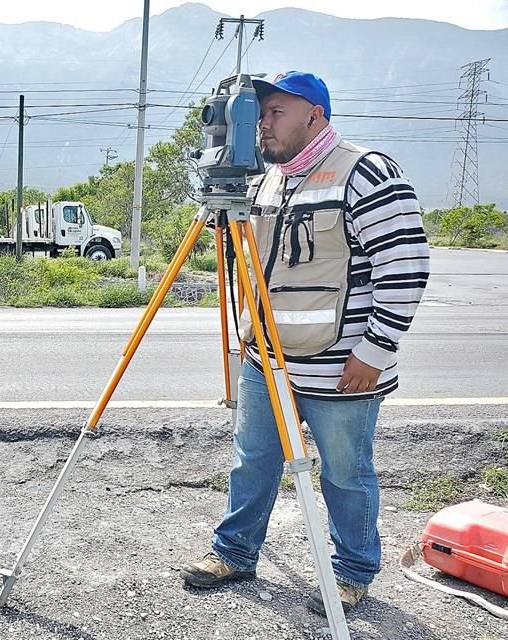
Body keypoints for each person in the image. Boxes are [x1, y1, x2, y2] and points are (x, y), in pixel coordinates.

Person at [180, 71, 430, 615]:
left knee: (345, 473)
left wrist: (374, 351)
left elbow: (405, 266)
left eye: (275, 113)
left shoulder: (365, 172)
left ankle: (352, 571)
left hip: (342, 364)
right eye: (259, 113)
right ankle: (235, 551)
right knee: (253, 460)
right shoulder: (266, 180)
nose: (262, 125)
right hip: (265, 358)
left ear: (315, 114)